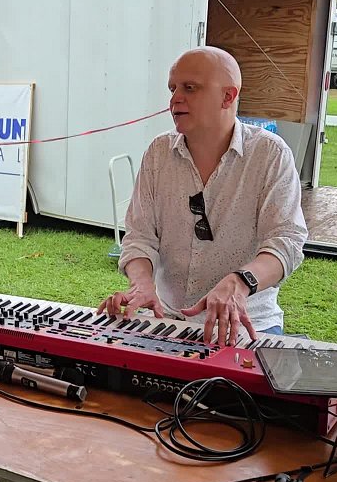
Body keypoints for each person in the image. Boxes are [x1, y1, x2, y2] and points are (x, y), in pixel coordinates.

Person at [98, 46, 308, 346]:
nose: (174, 99)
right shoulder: (158, 153)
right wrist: (141, 284)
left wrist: (240, 282)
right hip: (167, 318)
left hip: (247, 322)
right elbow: (140, 237)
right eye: (172, 88)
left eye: (190, 88)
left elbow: (286, 242)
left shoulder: (270, 154)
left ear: (228, 96)